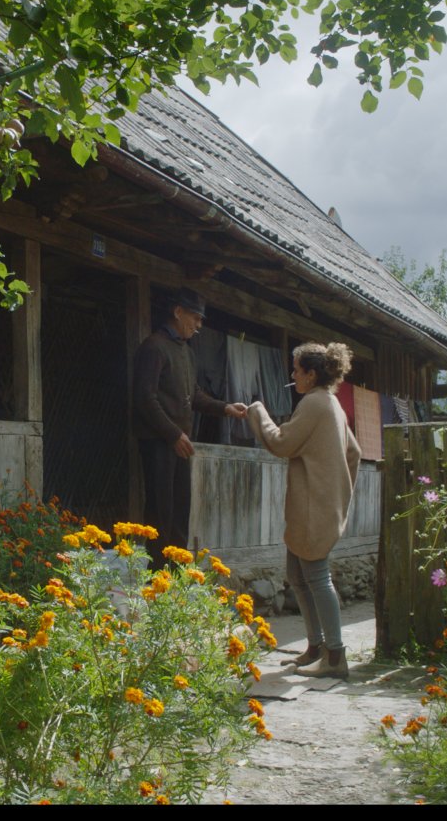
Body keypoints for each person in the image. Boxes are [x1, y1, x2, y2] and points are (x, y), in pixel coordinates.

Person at [245, 342, 361, 679]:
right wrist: (339, 489)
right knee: (298, 575)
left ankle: (335, 656)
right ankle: (315, 647)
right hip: (318, 503)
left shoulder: (313, 403)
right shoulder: (332, 404)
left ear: (311, 375)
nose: (292, 375)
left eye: (296, 370)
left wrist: (257, 411)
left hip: (314, 506)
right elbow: (353, 453)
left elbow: (281, 442)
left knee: (317, 577)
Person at [133, 289, 248, 569]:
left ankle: (176, 575)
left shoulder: (187, 352)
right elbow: (144, 398)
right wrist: (173, 434)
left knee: (180, 511)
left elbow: (194, 395)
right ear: (178, 312)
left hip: (179, 443)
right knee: (161, 512)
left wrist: (225, 408)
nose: (198, 326)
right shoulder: (154, 346)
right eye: (195, 318)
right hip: (159, 442)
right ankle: (157, 576)